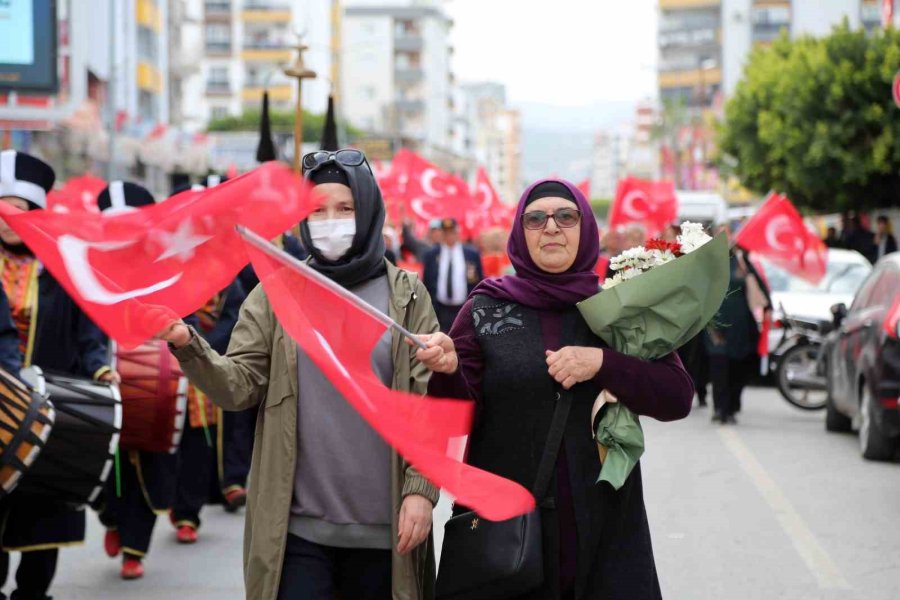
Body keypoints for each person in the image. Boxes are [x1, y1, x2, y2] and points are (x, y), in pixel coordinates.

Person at [157, 149, 440, 600]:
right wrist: (187, 344)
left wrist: (421, 492)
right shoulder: (274, 293)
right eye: (317, 210)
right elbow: (238, 386)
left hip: (386, 533)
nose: (331, 222)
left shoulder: (406, 296)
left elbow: (429, 405)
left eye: (345, 209)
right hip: (297, 534)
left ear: (368, 210)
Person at [420, 179, 694, 600]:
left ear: (586, 229)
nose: (551, 227)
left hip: (602, 529)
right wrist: (448, 370)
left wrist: (602, 363)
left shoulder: (618, 311)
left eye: (566, 216)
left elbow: (676, 396)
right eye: (535, 218)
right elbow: (451, 417)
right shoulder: (485, 309)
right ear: (520, 232)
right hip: (507, 534)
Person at [0, 150, 115, 600]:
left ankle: (33, 593)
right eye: (1, 209)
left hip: (49, 406)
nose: (8, 219)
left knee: (42, 508)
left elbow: (88, 332)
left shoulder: (63, 267)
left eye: (18, 209)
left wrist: (99, 367)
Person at [90, 181, 179, 581]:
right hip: (100, 377)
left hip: (152, 383)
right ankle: (111, 518)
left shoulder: (165, 270)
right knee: (99, 467)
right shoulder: (86, 269)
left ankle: (134, 549)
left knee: (150, 464)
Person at [170, 278, 245, 544]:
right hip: (167, 367)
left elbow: (233, 319)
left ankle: (187, 515)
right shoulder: (171, 277)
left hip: (209, 364)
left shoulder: (230, 284)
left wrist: (199, 346)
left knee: (198, 445)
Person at [706, 231, 772, 424]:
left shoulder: (743, 261)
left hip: (740, 323)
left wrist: (768, 308)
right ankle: (719, 407)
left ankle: (732, 406)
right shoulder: (708, 263)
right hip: (715, 322)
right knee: (718, 365)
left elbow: (761, 288)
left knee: (737, 366)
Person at [423, 218, 484, 332]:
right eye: (446, 233)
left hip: (464, 308)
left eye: (452, 232)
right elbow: (427, 282)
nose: (449, 236)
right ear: (441, 234)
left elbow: (479, 281)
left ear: (457, 233)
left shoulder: (471, 254)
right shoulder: (432, 255)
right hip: (440, 309)